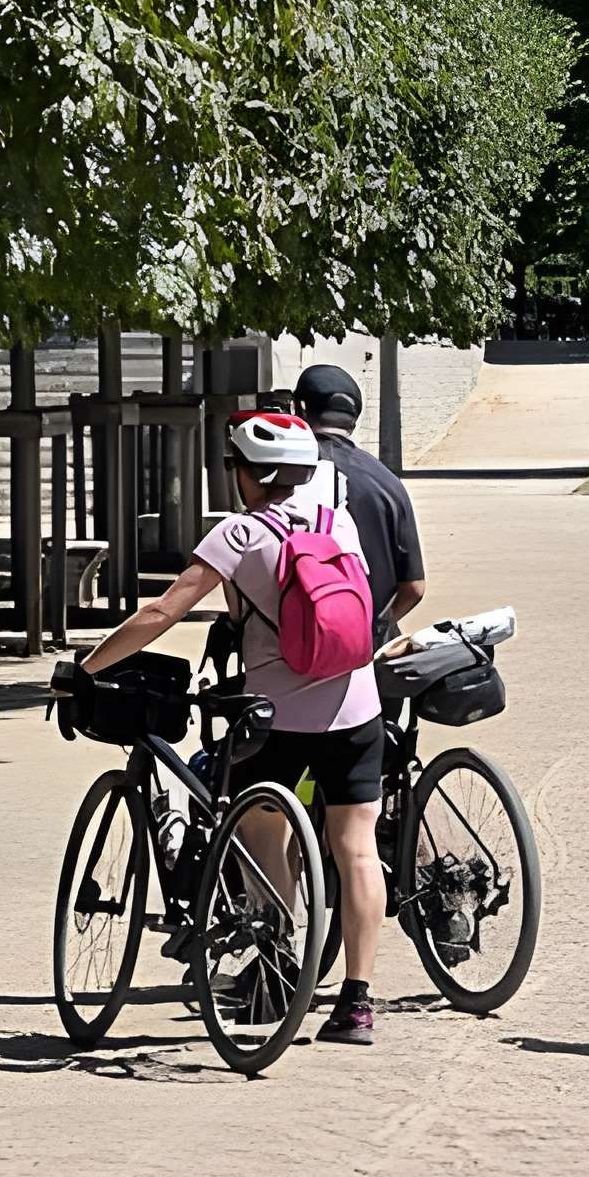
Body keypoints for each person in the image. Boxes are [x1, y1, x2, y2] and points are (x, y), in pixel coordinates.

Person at [73, 410, 395, 1047]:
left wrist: (86, 667)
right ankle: (356, 1002)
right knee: (356, 849)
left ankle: (276, 970)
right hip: (357, 707)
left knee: (260, 833)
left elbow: (164, 609)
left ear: (248, 473)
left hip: (277, 717)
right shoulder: (341, 524)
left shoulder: (241, 535)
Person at [292, 361, 428, 637]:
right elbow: (414, 587)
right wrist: (374, 628)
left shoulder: (289, 474)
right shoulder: (388, 482)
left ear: (301, 409)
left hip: (297, 652)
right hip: (367, 651)